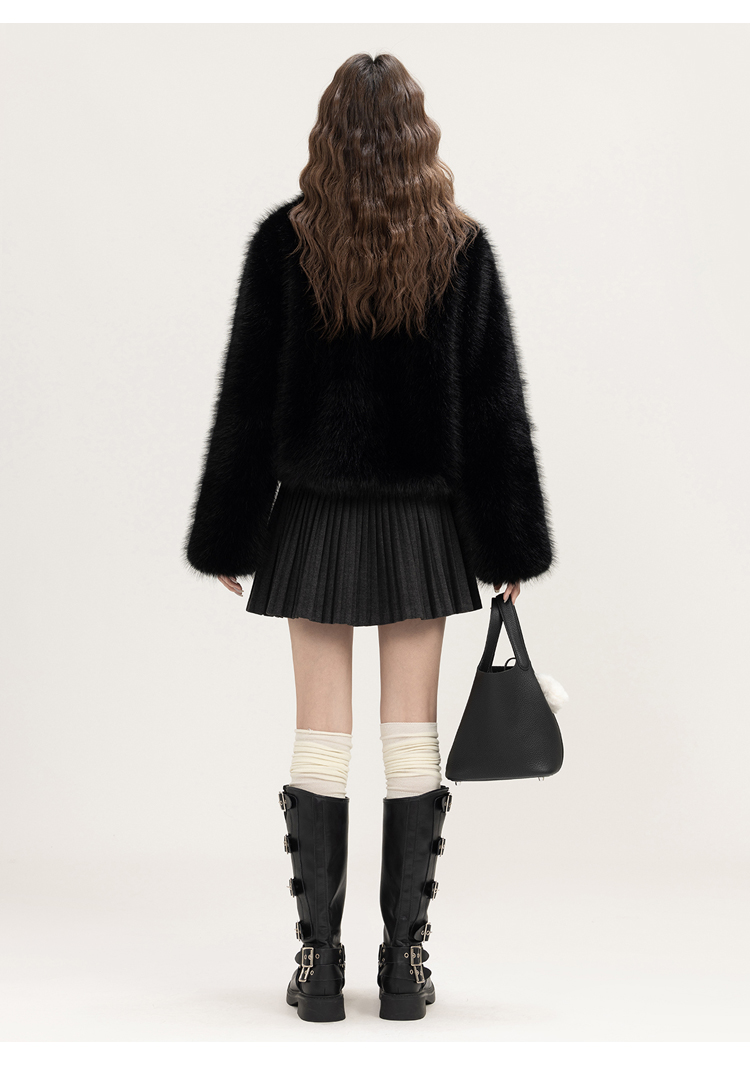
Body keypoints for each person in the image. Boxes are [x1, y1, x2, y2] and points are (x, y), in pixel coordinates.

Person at [183, 52, 554, 1024]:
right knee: (409, 733)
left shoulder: (284, 242)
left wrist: (228, 530)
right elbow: (494, 409)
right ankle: (402, 964)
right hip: (422, 523)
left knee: (319, 734)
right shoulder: (460, 247)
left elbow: (247, 399)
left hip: (311, 516)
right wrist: (508, 548)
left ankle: (318, 964)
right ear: (419, 137)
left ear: (328, 135)